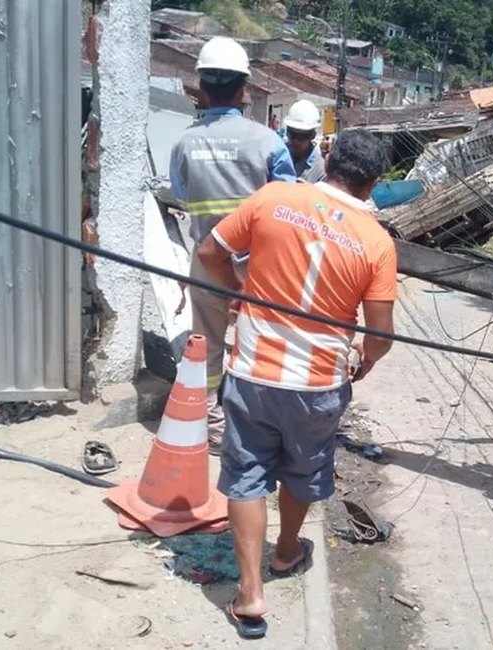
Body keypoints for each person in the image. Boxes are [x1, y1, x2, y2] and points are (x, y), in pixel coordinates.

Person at [198, 129, 397, 639]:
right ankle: (286, 551)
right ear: (374, 182)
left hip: (253, 372)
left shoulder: (273, 197)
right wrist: (364, 361)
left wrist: (235, 295)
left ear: (328, 159)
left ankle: (250, 592)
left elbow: (208, 253)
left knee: (246, 473)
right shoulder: (376, 242)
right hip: (318, 383)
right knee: (303, 470)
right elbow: (379, 336)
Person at [169, 37, 297, 452]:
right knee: (256, 346)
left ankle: (211, 424)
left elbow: (183, 195)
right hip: (259, 267)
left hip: (207, 261)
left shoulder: (185, 143)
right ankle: (254, 427)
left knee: (205, 342)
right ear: (245, 89)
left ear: (201, 88)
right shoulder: (269, 142)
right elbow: (287, 206)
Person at [283, 100, 327, 183]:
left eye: (301, 137)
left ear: (312, 136)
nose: (295, 141)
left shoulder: (320, 169)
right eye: (292, 134)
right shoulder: (279, 156)